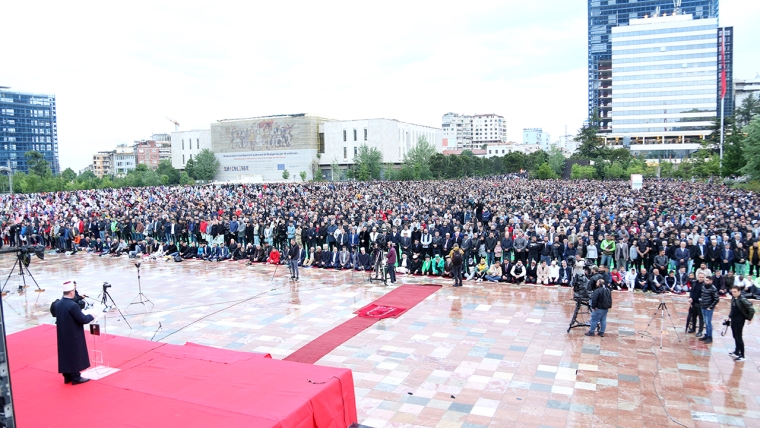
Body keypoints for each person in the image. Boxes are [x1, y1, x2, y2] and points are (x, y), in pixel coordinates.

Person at [50, 280, 95, 385]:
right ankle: (76, 377)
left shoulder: (59, 304)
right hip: (73, 333)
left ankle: (67, 376)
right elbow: (82, 319)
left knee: (65, 353)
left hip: (62, 333)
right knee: (75, 353)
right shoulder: (73, 305)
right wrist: (91, 316)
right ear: (71, 292)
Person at [728, 286, 754, 362]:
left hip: (739, 321)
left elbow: (751, 309)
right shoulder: (733, 298)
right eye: (732, 292)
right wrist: (729, 317)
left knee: (739, 337)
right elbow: (733, 309)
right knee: (735, 336)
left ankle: (742, 355)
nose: (733, 293)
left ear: (739, 292)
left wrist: (749, 318)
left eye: (735, 292)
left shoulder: (742, 299)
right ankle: (737, 351)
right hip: (733, 320)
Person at [698, 277, 719, 344]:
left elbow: (716, 299)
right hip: (703, 306)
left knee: (708, 322)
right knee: (705, 321)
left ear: (711, 281)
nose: (706, 282)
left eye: (707, 280)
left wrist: (711, 306)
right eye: (705, 280)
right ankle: (706, 335)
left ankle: (710, 337)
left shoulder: (713, 288)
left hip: (708, 307)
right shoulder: (703, 286)